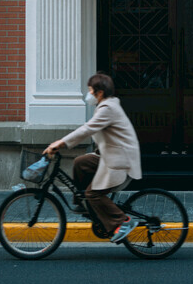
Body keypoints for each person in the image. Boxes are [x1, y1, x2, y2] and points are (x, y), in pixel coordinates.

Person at [43, 73, 141, 243]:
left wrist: (61, 143)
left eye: (90, 90)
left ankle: (123, 221)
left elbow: (86, 129)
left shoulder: (108, 109)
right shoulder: (106, 106)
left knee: (93, 194)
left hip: (120, 163)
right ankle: (84, 204)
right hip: (110, 157)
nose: (88, 94)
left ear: (100, 92)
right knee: (81, 162)